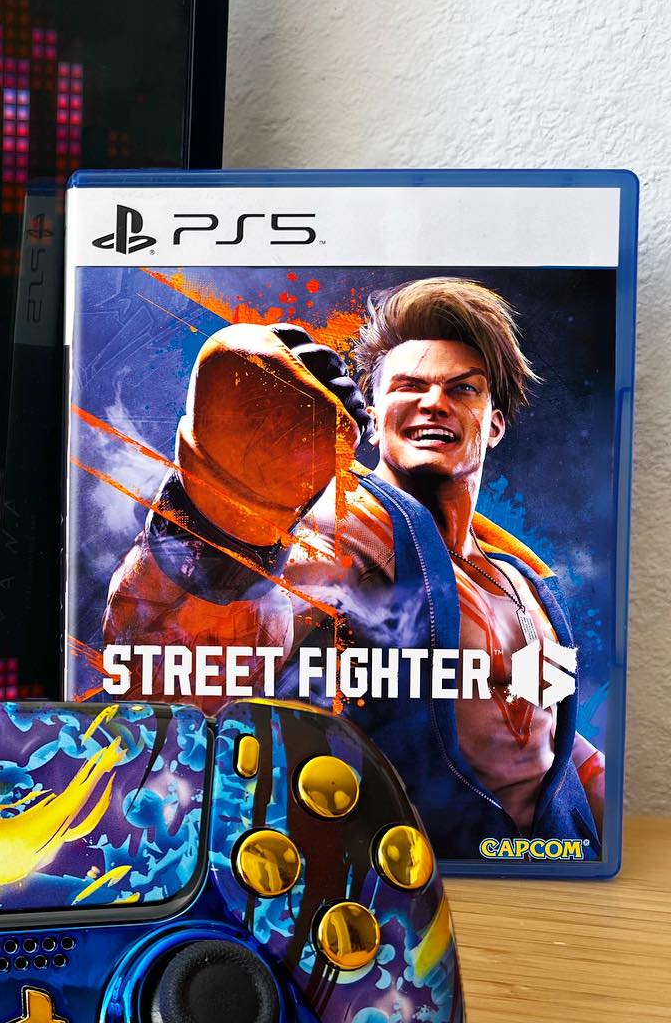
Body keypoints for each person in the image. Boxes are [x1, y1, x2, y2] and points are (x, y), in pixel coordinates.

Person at [102, 276, 603, 855]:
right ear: (375, 412)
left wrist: (603, 826)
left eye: (463, 389)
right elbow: (172, 668)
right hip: (400, 875)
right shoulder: (336, 532)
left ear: (493, 424)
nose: (434, 402)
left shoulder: (523, 581)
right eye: (409, 386)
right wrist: (225, 519)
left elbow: (546, 739)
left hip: (544, 864)